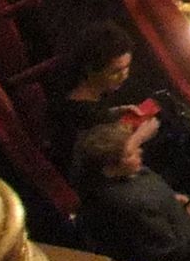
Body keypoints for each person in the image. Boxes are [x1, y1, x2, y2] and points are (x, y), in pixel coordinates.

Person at [77, 115, 190, 261]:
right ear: (109, 170)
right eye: (129, 154)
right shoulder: (133, 204)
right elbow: (173, 253)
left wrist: (171, 200)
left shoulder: (124, 176)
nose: (140, 151)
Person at [49, 21, 146, 175]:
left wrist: (116, 112)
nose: (124, 75)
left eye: (127, 67)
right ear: (91, 69)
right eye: (116, 71)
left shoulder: (75, 91)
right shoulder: (85, 116)